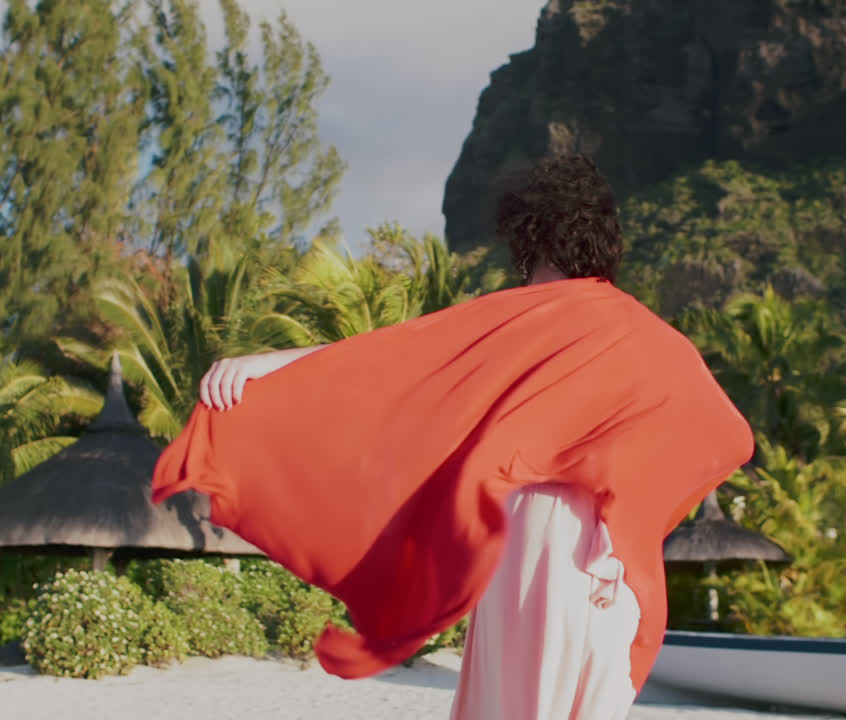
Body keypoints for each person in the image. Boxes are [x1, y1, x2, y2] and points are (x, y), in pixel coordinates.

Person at [153, 155, 752, 719]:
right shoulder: (651, 340)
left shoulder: (526, 316)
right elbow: (731, 436)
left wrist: (270, 367)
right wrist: (622, 487)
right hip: (604, 558)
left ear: (531, 241)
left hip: (529, 544)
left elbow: (399, 364)